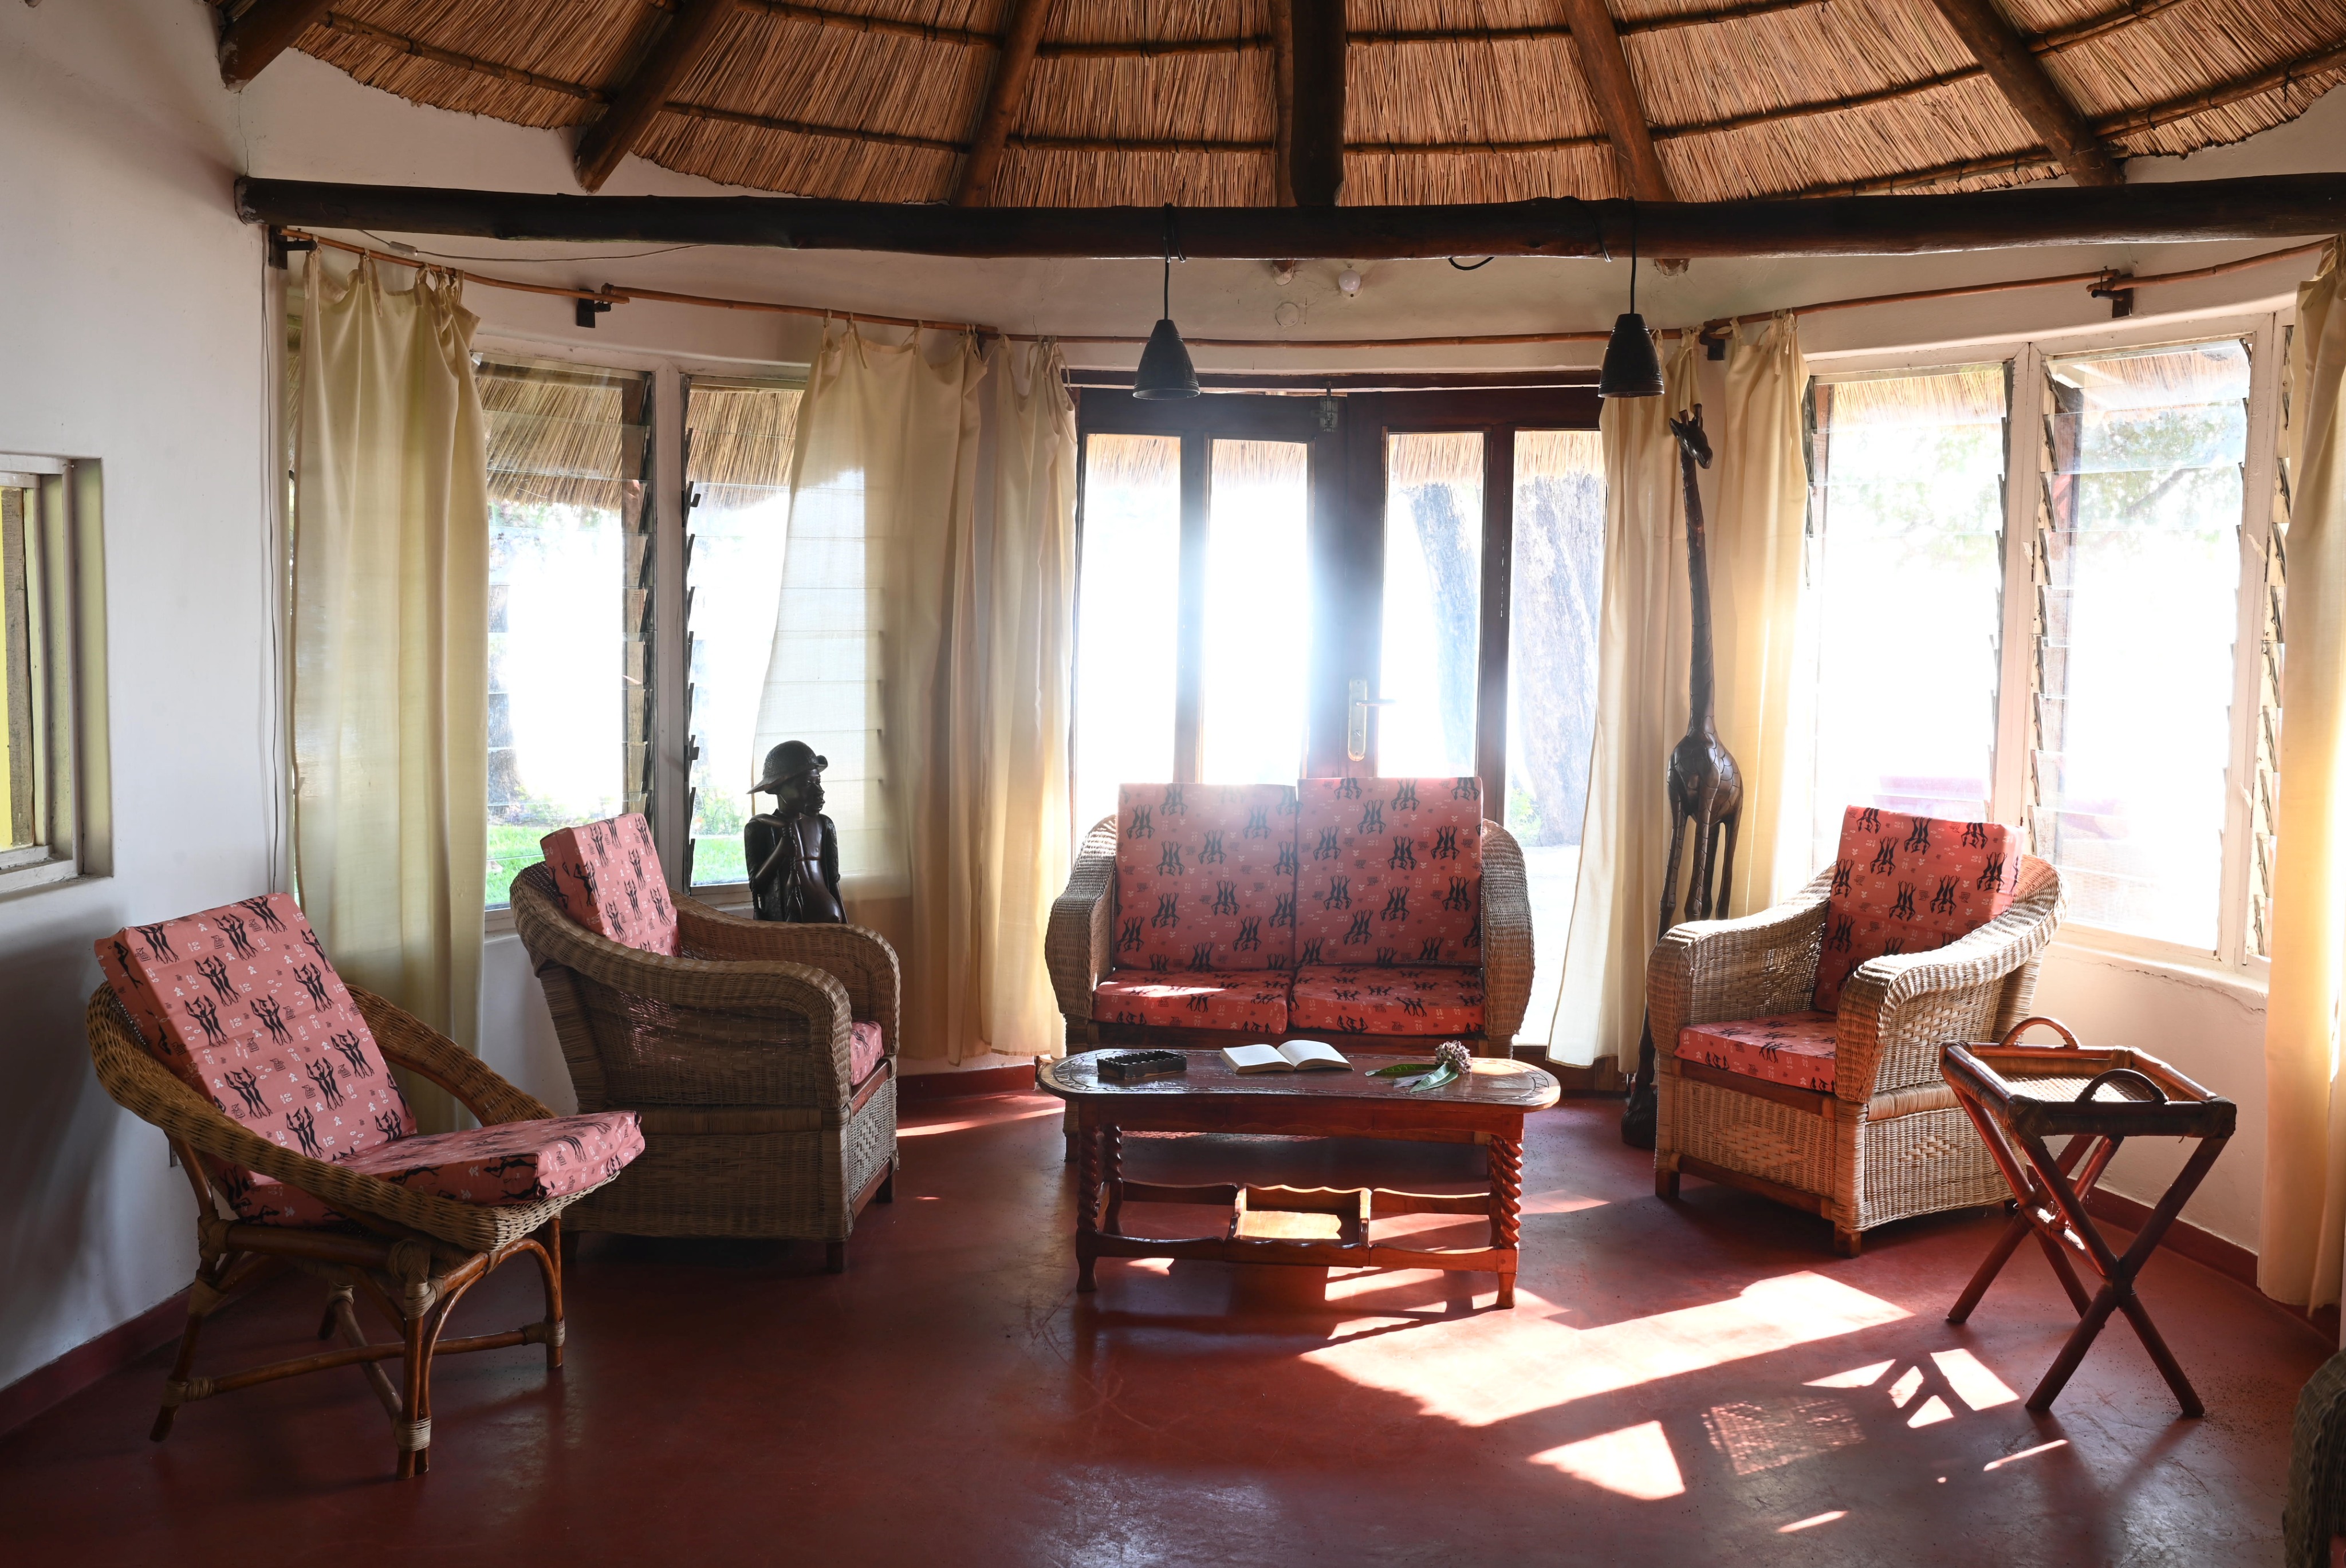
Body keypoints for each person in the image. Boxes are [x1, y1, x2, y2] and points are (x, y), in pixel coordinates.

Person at [744, 740, 843, 923]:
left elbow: (833, 881)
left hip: (832, 922)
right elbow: (756, 886)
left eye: (818, 782)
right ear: (777, 788)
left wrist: (846, 926)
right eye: (807, 784)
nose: (819, 791)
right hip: (789, 931)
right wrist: (780, 852)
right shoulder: (760, 828)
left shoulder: (824, 825)